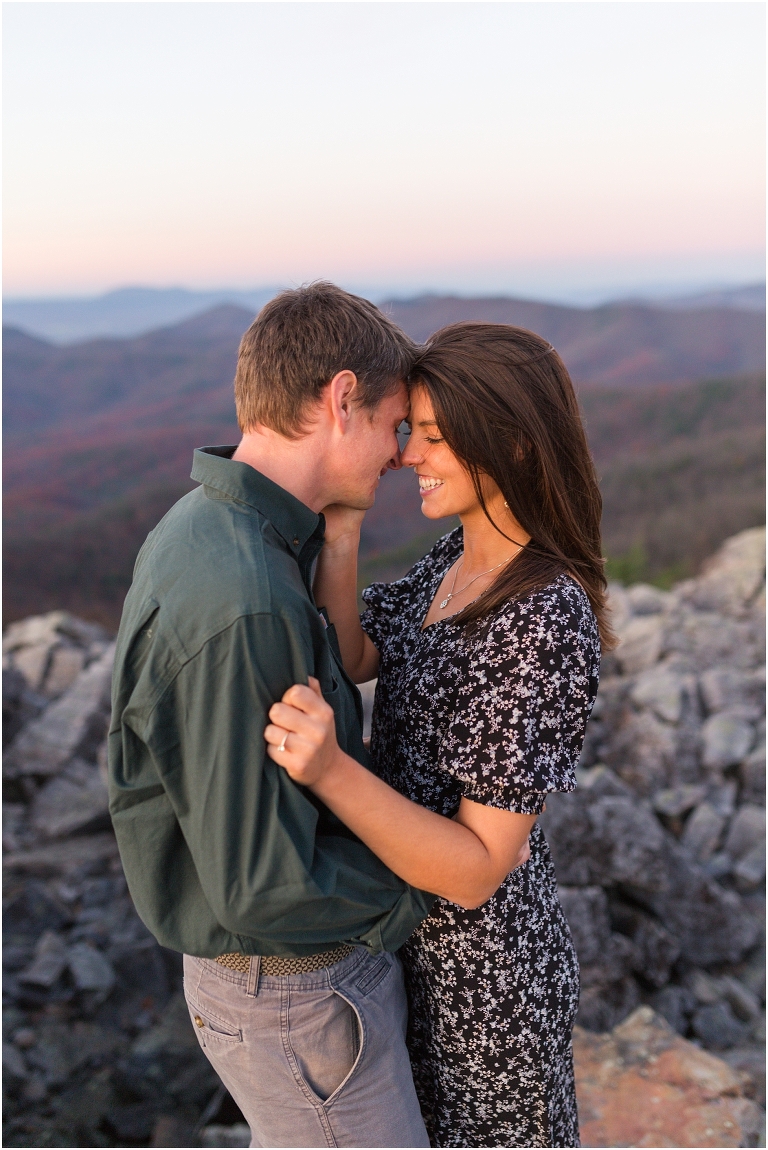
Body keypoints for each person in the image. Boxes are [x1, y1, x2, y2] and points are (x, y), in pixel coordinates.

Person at [264, 322, 615, 1149]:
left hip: (484, 999)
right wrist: (345, 524)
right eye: (407, 432)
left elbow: (476, 871)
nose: (407, 455)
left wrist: (330, 773)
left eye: (432, 437)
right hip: (404, 953)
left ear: (514, 445)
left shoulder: (543, 613)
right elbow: (353, 652)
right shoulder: (459, 559)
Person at [107, 283, 440, 1149]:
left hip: (274, 993)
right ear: (339, 400)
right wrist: (432, 880)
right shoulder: (247, 598)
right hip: (296, 994)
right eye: (393, 424)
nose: (399, 455)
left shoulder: (208, 527)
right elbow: (262, 885)